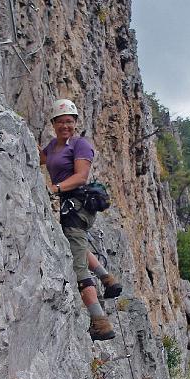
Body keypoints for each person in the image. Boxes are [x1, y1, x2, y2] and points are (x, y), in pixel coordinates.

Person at [39, 99, 122, 341]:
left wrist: (55, 188)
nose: (66, 125)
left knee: (78, 269)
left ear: (75, 123)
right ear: (53, 124)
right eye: (61, 121)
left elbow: (80, 177)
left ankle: (100, 322)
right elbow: (41, 158)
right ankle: (107, 278)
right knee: (76, 243)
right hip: (69, 206)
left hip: (77, 206)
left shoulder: (80, 145)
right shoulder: (54, 146)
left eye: (69, 121)